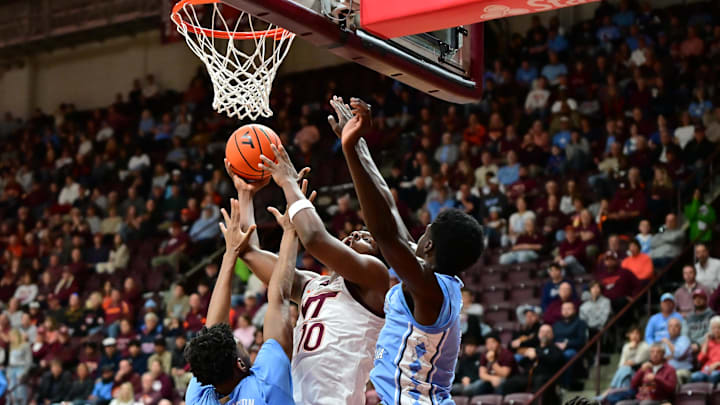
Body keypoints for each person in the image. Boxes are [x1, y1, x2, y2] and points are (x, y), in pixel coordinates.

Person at [233, 96, 391, 405]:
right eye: (355, 231)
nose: (354, 233)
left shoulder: (375, 278)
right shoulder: (310, 284)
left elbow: (315, 239)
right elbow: (248, 251)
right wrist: (246, 194)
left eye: (366, 238)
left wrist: (289, 184)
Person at [339, 97, 484, 403]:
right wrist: (360, 143)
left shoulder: (433, 291)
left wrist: (349, 151)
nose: (418, 233)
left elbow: (385, 233)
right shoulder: (431, 279)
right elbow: (389, 209)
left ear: (429, 245)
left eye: (426, 229)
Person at [183, 197, 296, 404]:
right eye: (239, 343)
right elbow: (278, 297)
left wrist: (231, 253)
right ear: (240, 364)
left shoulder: (199, 398)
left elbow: (213, 331)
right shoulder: (266, 385)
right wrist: (290, 231)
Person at [502, 324, 564, 404]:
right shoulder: (535, 347)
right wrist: (526, 355)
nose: (544, 334)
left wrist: (537, 354)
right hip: (529, 376)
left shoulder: (555, 348)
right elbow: (522, 363)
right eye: (542, 332)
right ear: (538, 335)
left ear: (552, 335)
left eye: (547, 332)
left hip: (545, 377)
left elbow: (556, 360)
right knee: (509, 383)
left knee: (540, 382)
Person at [553, 302, 588, 388]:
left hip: (573, 349)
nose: (566, 311)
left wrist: (567, 344)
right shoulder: (556, 324)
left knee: (567, 354)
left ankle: (566, 384)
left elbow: (581, 340)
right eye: (564, 309)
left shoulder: (580, 323)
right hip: (556, 348)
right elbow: (552, 339)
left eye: (569, 309)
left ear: (574, 310)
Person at [690, 316, 720, 384]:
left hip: (718, 370)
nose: (716, 330)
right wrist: (706, 341)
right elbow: (700, 359)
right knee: (694, 376)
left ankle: (711, 393)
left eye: (719, 328)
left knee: (714, 375)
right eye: (714, 328)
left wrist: (717, 364)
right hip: (707, 370)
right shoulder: (709, 342)